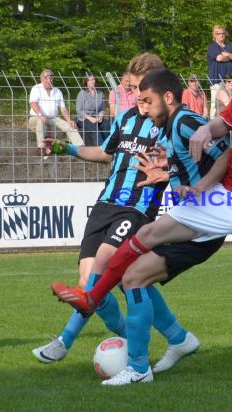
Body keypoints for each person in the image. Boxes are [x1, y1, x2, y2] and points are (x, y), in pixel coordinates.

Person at [51, 47, 232, 391]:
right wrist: (206, 132)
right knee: (149, 233)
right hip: (224, 195)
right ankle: (94, 299)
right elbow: (223, 126)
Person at [32, 54, 203, 375]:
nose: (136, 95)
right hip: (105, 204)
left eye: (140, 88)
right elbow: (104, 153)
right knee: (114, 279)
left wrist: (167, 173)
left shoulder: (168, 123)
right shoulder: (125, 119)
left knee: (104, 265)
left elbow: (184, 160)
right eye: (132, 88)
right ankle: (168, 337)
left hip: (138, 207)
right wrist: (64, 148)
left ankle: (64, 341)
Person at [28, 69, 83, 155]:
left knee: (70, 126)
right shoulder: (36, 88)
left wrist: (69, 120)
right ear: (41, 79)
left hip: (53, 118)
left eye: (51, 78)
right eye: (46, 78)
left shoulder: (57, 91)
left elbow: (63, 108)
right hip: (36, 117)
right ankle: (42, 148)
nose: (49, 80)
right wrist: (40, 115)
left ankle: (80, 148)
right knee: (41, 122)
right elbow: (33, 103)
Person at [207, 25, 232, 119]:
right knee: (214, 105)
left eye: (223, 33)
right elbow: (219, 58)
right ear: (214, 35)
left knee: (230, 102)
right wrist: (230, 56)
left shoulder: (229, 46)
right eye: (219, 33)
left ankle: (230, 121)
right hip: (217, 79)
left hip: (230, 80)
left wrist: (227, 54)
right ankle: (213, 123)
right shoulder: (212, 47)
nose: (221, 35)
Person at [76, 73, 110, 146]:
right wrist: (90, 118)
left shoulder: (100, 94)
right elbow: (79, 110)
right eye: (89, 80)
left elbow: (102, 109)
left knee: (107, 124)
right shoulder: (82, 93)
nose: (92, 81)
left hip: (96, 117)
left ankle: (108, 147)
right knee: (95, 127)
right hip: (84, 118)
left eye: (93, 79)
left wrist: (100, 116)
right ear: (86, 82)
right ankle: (100, 149)